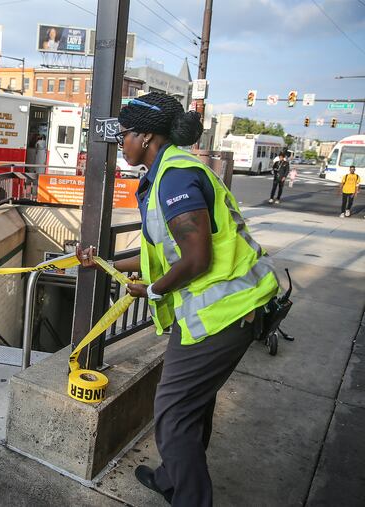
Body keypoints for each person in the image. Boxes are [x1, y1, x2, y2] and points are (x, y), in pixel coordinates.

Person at [76, 92, 279, 507]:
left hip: (224, 312)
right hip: (220, 313)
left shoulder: (175, 178)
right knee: (192, 405)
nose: (121, 141)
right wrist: (107, 263)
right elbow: (165, 252)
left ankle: (188, 496)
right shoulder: (165, 173)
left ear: (146, 136)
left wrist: (152, 290)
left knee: (172, 414)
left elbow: (197, 258)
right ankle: (172, 478)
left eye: (126, 134)